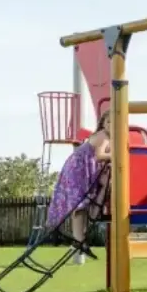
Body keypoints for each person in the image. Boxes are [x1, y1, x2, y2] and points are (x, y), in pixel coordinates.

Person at [45, 110, 111, 262]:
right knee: (79, 204)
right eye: (108, 122)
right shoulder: (103, 135)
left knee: (82, 204)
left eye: (114, 122)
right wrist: (118, 155)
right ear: (102, 124)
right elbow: (99, 155)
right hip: (78, 168)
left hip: (84, 167)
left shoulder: (110, 138)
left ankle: (80, 239)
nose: (111, 125)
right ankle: (79, 240)